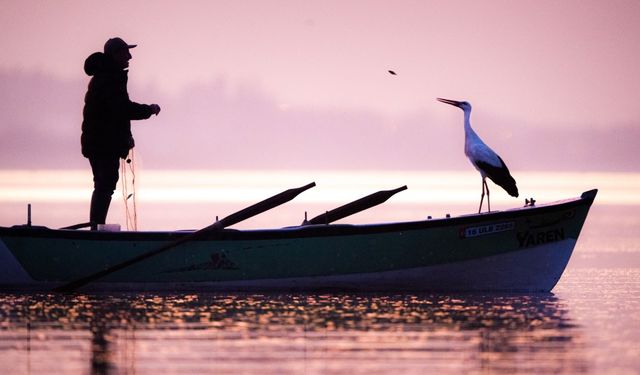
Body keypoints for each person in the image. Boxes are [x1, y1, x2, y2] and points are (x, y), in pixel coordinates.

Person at [81, 37, 161, 229]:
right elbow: (121, 109)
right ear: (115, 55)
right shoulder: (109, 78)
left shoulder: (108, 76)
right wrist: (148, 110)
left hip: (100, 142)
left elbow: (115, 114)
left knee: (104, 184)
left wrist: (126, 137)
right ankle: (96, 230)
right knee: (105, 185)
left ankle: (96, 228)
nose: (130, 57)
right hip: (102, 143)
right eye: (125, 52)